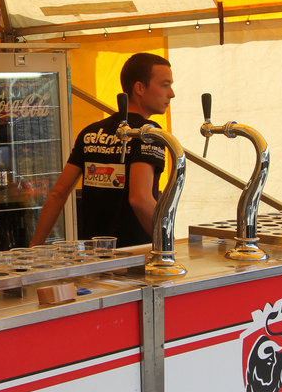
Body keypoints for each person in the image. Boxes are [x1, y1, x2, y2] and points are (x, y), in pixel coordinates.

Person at [30, 53, 175, 248]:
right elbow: (140, 199)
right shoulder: (147, 133)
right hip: (136, 254)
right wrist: (169, 244)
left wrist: (35, 247)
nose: (171, 93)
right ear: (139, 88)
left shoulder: (90, 132)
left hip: (95, 254)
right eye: (165, 85)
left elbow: (58, 194)